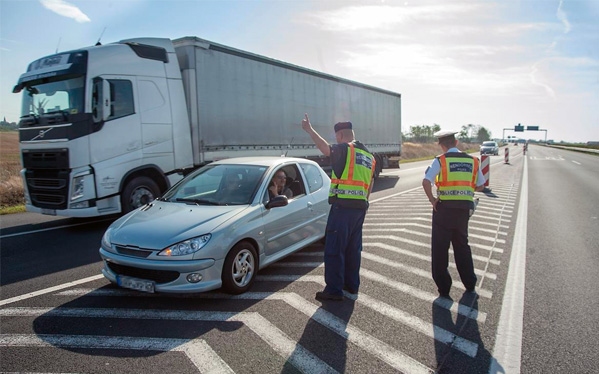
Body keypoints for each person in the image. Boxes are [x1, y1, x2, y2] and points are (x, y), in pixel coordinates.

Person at [301, 113, 376, 301]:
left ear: (341, 136)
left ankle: (334, 290)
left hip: (342, 208)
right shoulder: (368, 156)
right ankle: (351, 285)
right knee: (353, 249)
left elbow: (325, 149)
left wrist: (309, 130)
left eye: (337, 137)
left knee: (334, 249)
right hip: (360, 208)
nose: (336, 141)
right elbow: (370, 183)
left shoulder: (346, 149)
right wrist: (365, 202)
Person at [422, 130, 486, 298]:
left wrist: (432, 200)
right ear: (456, 142)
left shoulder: (441, 161)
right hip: (463, 210)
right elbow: (481, 185)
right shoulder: (473, 161)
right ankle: (470, 283)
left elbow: (426, 181)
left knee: (440, 249)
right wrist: (466, 190)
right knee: (462, 246)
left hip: (444, 209)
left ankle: (444, 288)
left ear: (441, 146)